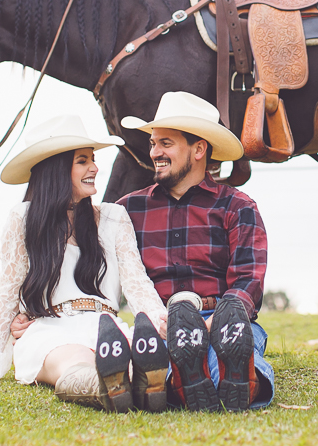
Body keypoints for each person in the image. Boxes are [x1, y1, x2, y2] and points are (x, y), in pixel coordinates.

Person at [0, 115, 169, 413]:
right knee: (75, 362)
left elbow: (138, 285)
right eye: (82, 161)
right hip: (48, 329)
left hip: (106, 326)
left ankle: (137, 383)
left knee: (129, 360)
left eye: (93, 159)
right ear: (58, 170)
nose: (95, 168)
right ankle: (106, 387)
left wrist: (160, 324)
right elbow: (7, 295)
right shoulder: (23, 220)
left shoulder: (114, 218)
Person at [116, 91, 274, 412]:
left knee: (233, 348)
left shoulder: (237, 207)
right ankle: (187, 379)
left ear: (199, 148)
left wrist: (212, 322)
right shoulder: (126, 211)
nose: (155, 152)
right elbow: (84, 263)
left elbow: (248, 282)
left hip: (222, 318)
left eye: (166, 143)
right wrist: (33, 311)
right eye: (153, 143)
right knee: (154, 357)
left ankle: (234, 379)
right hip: (161, 322)